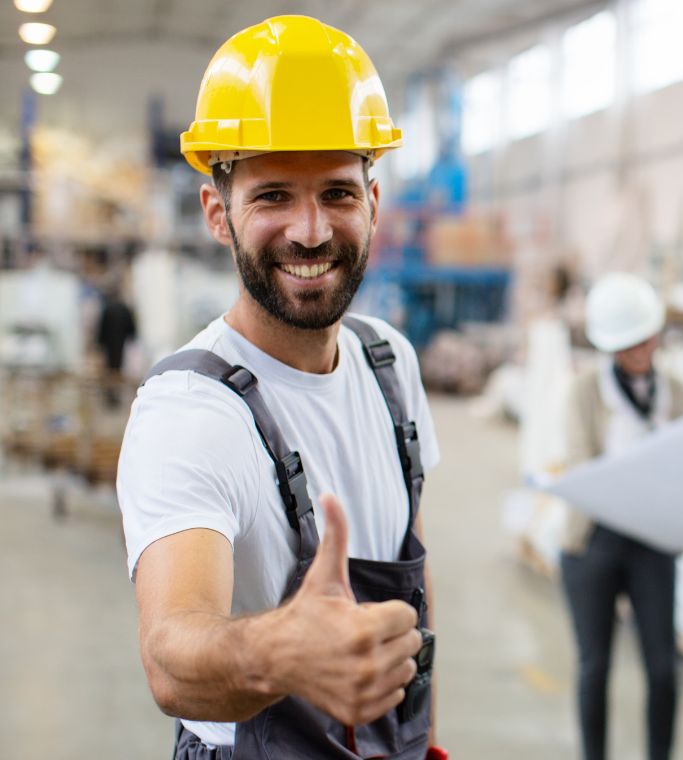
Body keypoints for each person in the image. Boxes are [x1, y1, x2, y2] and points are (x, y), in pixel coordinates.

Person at [116, 16, 448, 760]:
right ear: (217, 215)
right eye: (272, 197)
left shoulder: (390, 365)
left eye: (335, 192)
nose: (309, 231)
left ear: (372, 202)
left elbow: (415, 586)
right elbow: (171, 654)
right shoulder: (190, 413)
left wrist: (429, 742)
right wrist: (283, 652)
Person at [561, 273, 683, 760]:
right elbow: (581, 465)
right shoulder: (585, 393)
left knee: (662, 667)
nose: (639, 350)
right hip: (594, 541)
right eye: (627, 343)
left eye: (645, 339)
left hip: (652, 542)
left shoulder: (673, 392)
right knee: (595, 666)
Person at [95, 280, 136, 408]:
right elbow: (132, 328)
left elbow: (101, 328)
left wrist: (99, 342)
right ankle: (119, 396)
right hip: (122, 345)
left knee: (110, 371)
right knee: (120, 370)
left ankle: (111, 396)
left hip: (109, 345)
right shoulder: (125, 308)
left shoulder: (107, 308)